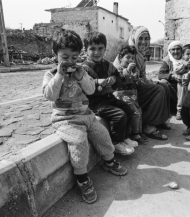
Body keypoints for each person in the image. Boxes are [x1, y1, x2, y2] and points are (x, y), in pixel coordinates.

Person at [42, 29, 127, 204]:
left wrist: (82, 78)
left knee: (102, 134)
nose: (70, 62)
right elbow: (49, 95)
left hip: (86, 115)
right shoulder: (51, 74)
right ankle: (82, 179)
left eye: (74, 57)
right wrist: (59, 75)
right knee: (79, 142)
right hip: (65, 120)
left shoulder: (82, 72)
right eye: (65, 58)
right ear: (55, 55)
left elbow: (91, 90)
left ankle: (109, 161)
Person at [82, 31, 137, 155]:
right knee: (119, 115)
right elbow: (84, 84)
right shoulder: (84, 68)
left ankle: (125, 137)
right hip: (94, 103)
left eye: (100, 48)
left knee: (129, 109)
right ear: (86, 50)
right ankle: (116, 143)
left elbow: (118, 79)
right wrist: (97, 82)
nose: (97, 52)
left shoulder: (108, 65)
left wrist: (114, 80)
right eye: (92, 49)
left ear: (105, 49)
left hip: (109, 98)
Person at [121, 26, 171, 140]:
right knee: (159, 89)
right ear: (134, 38)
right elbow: (126, 74)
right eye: (141, 38)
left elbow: (141, 76)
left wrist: (149, 81)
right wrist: (148, 83)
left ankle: (160, 120)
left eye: (146, 38)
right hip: (126, 89)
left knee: (165, 86)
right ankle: (148, 124)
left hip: (135, 85)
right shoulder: (130, 52)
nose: (144, 42)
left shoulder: (140, 54)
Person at [113, 45, 147, 144]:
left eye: (132, 58)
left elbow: (135, 82)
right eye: (128, 57)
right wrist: (127, 70)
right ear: (120, 58)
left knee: (139, 112)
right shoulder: (117, 68)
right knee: (135, 113)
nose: (130, 60)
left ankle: (139, 132)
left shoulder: (133, 70)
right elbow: (120, 77)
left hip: (132, 95)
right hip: (122, 96)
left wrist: (136, 78)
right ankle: (135, 134)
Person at [158, 42, 190, 120]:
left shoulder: (188, 59)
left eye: (178, 49)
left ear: (182, 50)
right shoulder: (168, 60)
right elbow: (160, 75)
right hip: (173, 89)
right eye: (173, 49)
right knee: (162, 83)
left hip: (188, 87)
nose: (176, 51)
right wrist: (172, 76)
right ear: (169, 50)